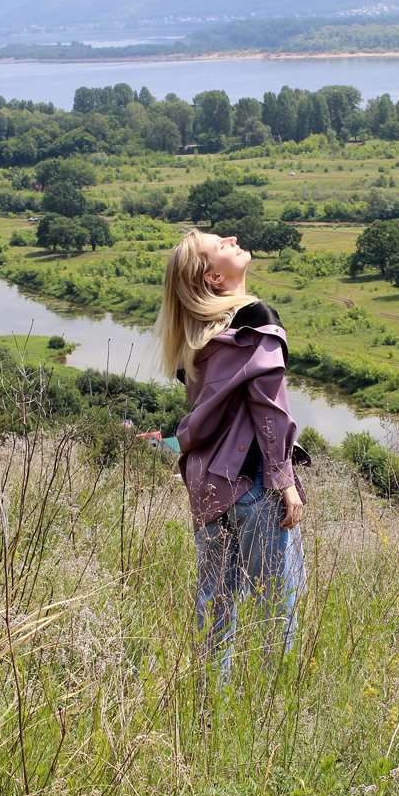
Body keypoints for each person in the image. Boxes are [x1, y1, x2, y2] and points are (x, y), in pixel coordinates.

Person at [154, 228, 308, 678]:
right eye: (220, 245)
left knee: (215, 605)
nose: (233, 238)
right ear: (212, 278)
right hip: (256, 482)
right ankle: (277, 712)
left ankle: (208, 706)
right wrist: (284, 482)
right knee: (282, 606)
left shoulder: (195, 338)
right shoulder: (257, 318)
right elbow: (271, 412)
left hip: (208, 488)